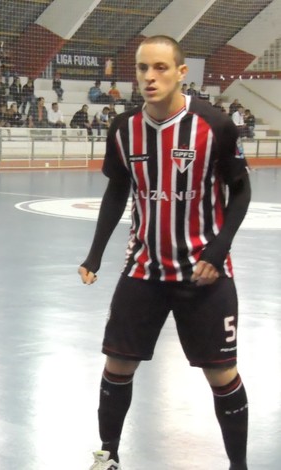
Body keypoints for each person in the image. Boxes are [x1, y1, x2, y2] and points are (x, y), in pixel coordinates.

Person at [79, 35, 251, 470]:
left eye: (159, 68)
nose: (149, 77)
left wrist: (217, 250)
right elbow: (118, 191)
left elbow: (241, 190)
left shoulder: (215, 125)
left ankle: (239, 466)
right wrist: (95, 255)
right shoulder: (123, 129)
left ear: (181, 72)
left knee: (222, 374)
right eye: (142, 68)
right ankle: (108, 457)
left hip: (204, 275)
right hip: (144, 271)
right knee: (117, 365)